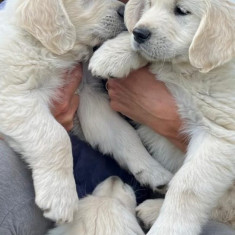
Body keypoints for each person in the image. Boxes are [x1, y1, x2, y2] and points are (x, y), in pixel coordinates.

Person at [0, 0, 234, 234]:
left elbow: (224, 140)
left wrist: (168, 122)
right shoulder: (25, 23)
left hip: (172, 185)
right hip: (63, 168)